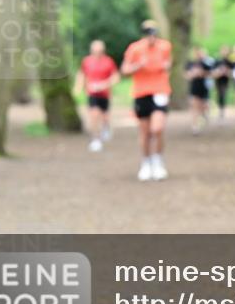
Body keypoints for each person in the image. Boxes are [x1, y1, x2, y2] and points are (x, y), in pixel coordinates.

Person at [121, 19, 173, 182]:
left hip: (160, 91)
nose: (151, 36)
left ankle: (158, 161)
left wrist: (166, 66)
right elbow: (124, 70)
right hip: (141, 92)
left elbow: (168, 63)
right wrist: (138, 65)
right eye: (148, 32)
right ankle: (146, 163)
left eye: (153, 32)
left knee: (157, 128)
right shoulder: (135, 48)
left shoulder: (165, 46)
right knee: (145, 132)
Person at [73, 40, 120, 152]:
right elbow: (82, 74)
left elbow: (115, 77)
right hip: (92, 93)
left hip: (105, 94)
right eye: (95, 50)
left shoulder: (108, 61)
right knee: (94, 115)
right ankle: (95, 139)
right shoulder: (87, 61)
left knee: (105, 117)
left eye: (99, 51)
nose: (97, 53)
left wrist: (105, 84)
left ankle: (105, 127)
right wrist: (78, 86)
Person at [186, 46, 215, 134]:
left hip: (204, 88)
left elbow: (212, 73)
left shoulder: (206, 64)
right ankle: (195, 126)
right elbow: (187, 75)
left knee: (204, 106)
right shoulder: (190, 63)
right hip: (194, 88)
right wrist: (193, 74)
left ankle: (203, 115)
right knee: (194, 106)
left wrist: (202, 73)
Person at [212, 45, 235, 120]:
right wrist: (219, 72)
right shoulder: (217, 61)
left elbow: (234, 73)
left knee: (223, 94)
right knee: (219, 95)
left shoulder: (230, 61)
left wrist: (227, 72)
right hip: (218, 81)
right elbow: (213, 73)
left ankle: (222, 110)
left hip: (226, 81)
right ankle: (220, 110)